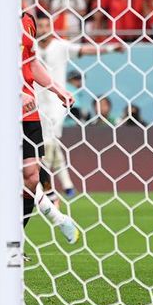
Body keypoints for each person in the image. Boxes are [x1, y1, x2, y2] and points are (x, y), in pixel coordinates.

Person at [0, 6, 78, 263]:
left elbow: (32, 63)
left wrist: (56, 88)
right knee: (7, 179)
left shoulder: (28, 20)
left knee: (31, 177)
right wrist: (15, 93)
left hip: (27, 113)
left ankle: (13, 242)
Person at [34, 13, 105, 200]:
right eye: (39, 26)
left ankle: (46, 190)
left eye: (45, 26)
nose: (43, 29)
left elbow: (84, 50)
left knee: (48, 142)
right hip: (36, 103)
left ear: (51, 27)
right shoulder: (29, 48)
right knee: (50, 142)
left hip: (58, 101)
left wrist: (110, 48)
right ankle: (67, 185)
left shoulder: (60, 46)